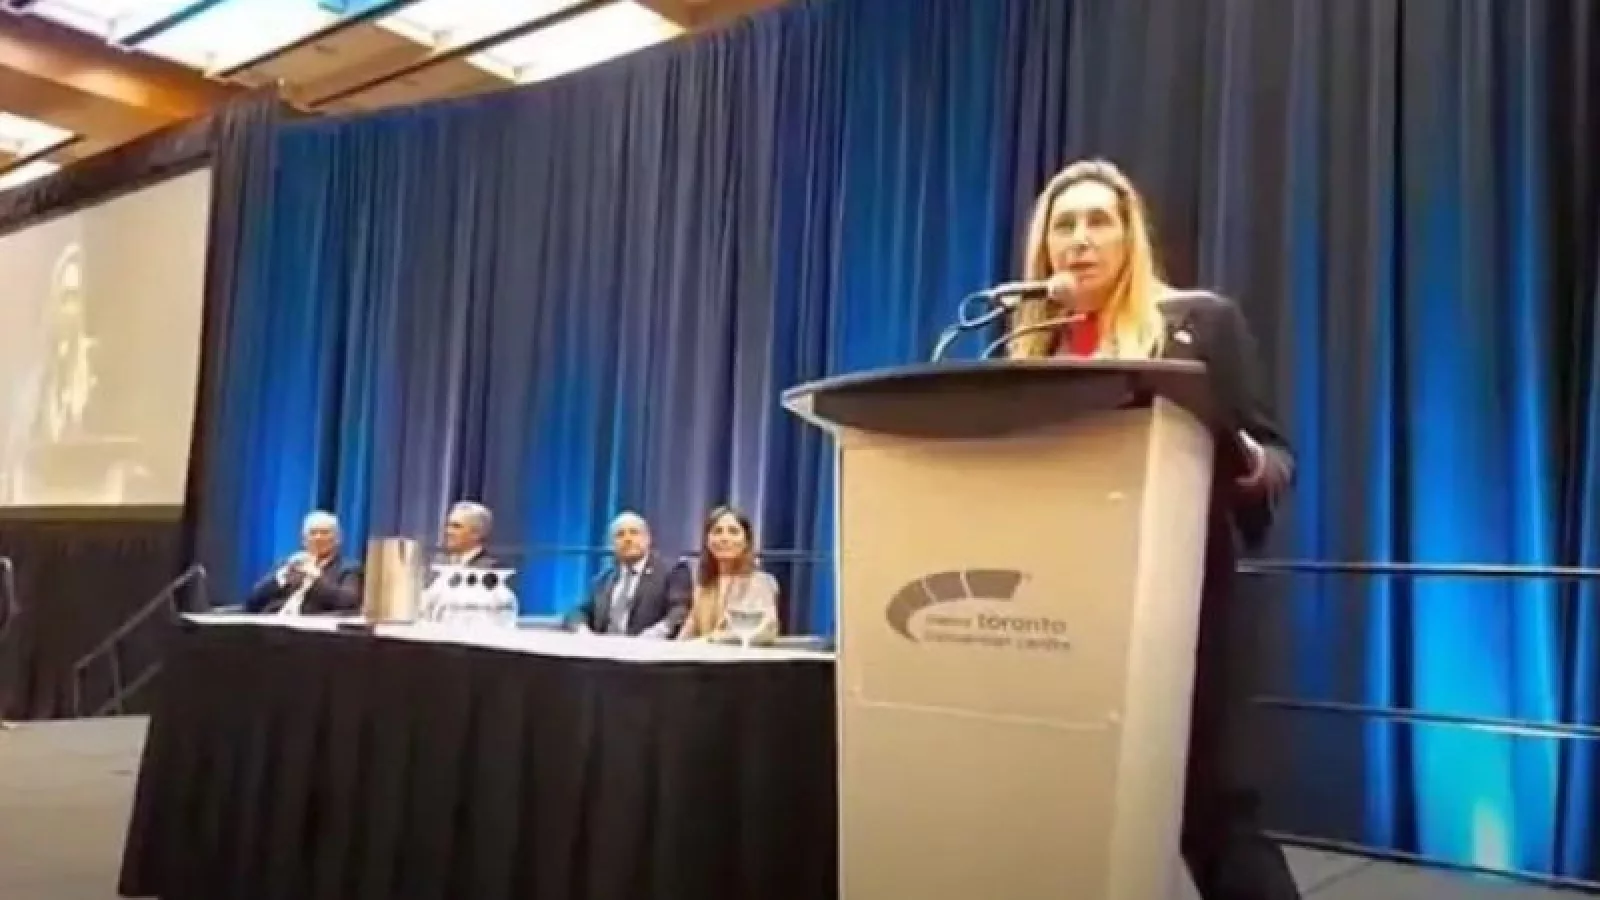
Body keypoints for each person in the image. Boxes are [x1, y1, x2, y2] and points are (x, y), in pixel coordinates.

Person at [1006, 159, 1298, 900]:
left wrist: (1240, 456)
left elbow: (1276, 458)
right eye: (1063, 226)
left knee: (1216, 821)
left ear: (1130, 235)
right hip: (1061, 620)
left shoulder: (1197, 324)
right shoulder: (1031, 349)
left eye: (1098, 221)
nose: (1080, 239)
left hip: (1184, 611)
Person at [566, 511, 692, 637]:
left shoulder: (672, 571)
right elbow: (578, 612)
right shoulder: (603, 579)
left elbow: (679, 611)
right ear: (612, 544)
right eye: (620, 535)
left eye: (634, 532)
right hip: (603, 646)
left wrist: (653, 635)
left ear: (648, 539)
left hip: (648, 646)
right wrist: (582, 632)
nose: (627, 539)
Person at [677, 506, 780, 644]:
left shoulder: (761, 583)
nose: (724, 538)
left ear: (747, 541)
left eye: (733, 532)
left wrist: (710, 640)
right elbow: (688, 632)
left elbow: (766, 630)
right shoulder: (704, 586)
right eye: (717, 532)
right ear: (707, 541)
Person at [244, 510, 364, 615]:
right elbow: (252, 602)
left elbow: (349, 602)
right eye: (313, 533)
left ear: (338, 539)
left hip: (311, 627)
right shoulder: (288, 564)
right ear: (304, 540)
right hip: (272, 622)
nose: (318, 537)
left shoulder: (349, 567)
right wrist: (280, 578)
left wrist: (315, 580)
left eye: (325, 532)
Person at [438, 501, 498, 567]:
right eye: (448, 525)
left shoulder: (490, 568)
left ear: (476, 533)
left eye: (456, 526)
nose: (448, 531)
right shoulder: (439, 562)